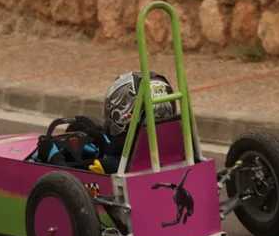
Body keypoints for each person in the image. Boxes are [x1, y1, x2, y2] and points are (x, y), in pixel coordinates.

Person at [35, 71, 177, 174]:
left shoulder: (110, 167)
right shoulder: (180, 154)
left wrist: (54, 157)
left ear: (121, 113)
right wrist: (103, 143)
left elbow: (70, 183)